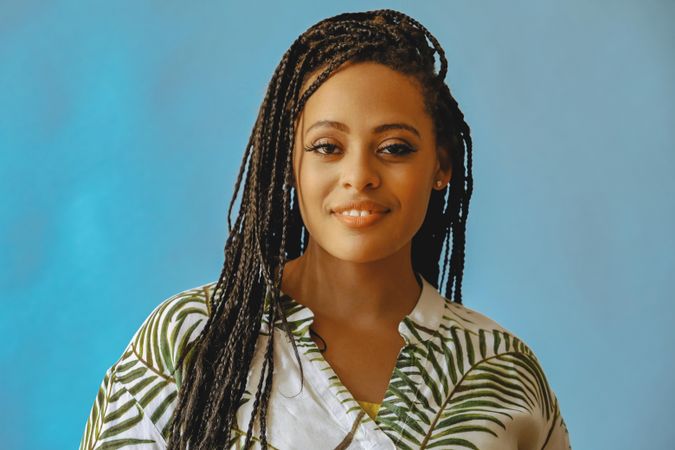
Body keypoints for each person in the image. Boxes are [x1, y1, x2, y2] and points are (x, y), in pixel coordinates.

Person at [79, 9, 571, 450]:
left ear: (441, 165)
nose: (359, 175)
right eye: (326, 147)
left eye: (395, 147)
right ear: (290, 161)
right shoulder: (190, 340)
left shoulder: (501, 369)